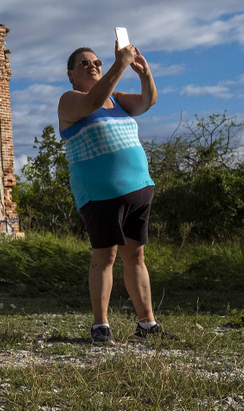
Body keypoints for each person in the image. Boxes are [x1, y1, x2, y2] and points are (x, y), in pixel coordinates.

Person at [58, 42, 177, 345]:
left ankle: (147, 324)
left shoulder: (117, 100)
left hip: (138, 190)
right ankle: (101, 327)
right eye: (84, 64)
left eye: (96, 62)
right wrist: (120, 64)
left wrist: (144, 72)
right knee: (105, 257)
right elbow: (92, 103)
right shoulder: (70, 101)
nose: (93, 66)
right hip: (100, 195)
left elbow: (148, 101)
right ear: (71, 74)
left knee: (135, 256)